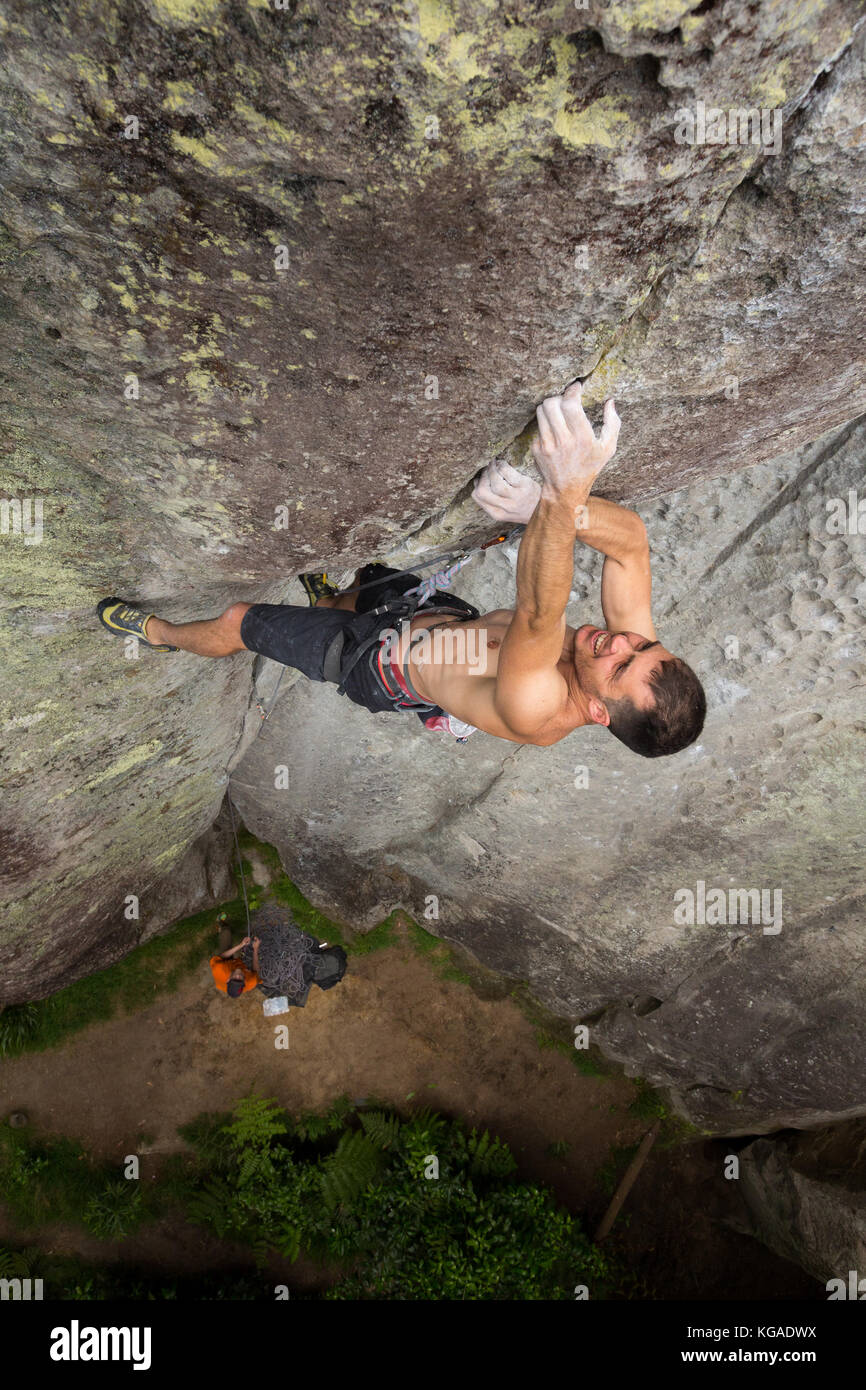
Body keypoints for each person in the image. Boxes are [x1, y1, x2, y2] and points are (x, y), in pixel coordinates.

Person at [97, 383, 705, 756]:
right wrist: (559, 511)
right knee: (360, 580)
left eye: (621, 664)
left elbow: (541, 614)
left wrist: (563, 493)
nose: (619, 640)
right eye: (643, 643)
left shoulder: (538, 706)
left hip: (374, 664)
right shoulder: (619, 653)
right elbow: (633, 547)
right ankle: (331, 599)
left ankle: (160, 636)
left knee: (238, 619)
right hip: (430, 617)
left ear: (599, 712)